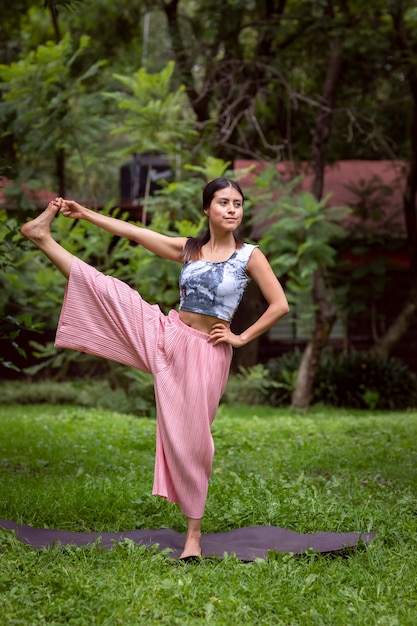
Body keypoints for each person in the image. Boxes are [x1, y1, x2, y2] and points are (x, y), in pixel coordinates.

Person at [21, 177, 289, 559]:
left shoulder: (249, 256)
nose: (232, 209)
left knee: (196, 442)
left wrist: (242, 338)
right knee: (111, 291)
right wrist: (84, 214)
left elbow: (279, 304)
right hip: (168, 335)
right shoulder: (189, 249)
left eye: (238, 204)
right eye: (224, 202)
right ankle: (42, 238)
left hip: (207, 352)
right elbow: (136, 233)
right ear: (207, 210)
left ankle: (192, 536)